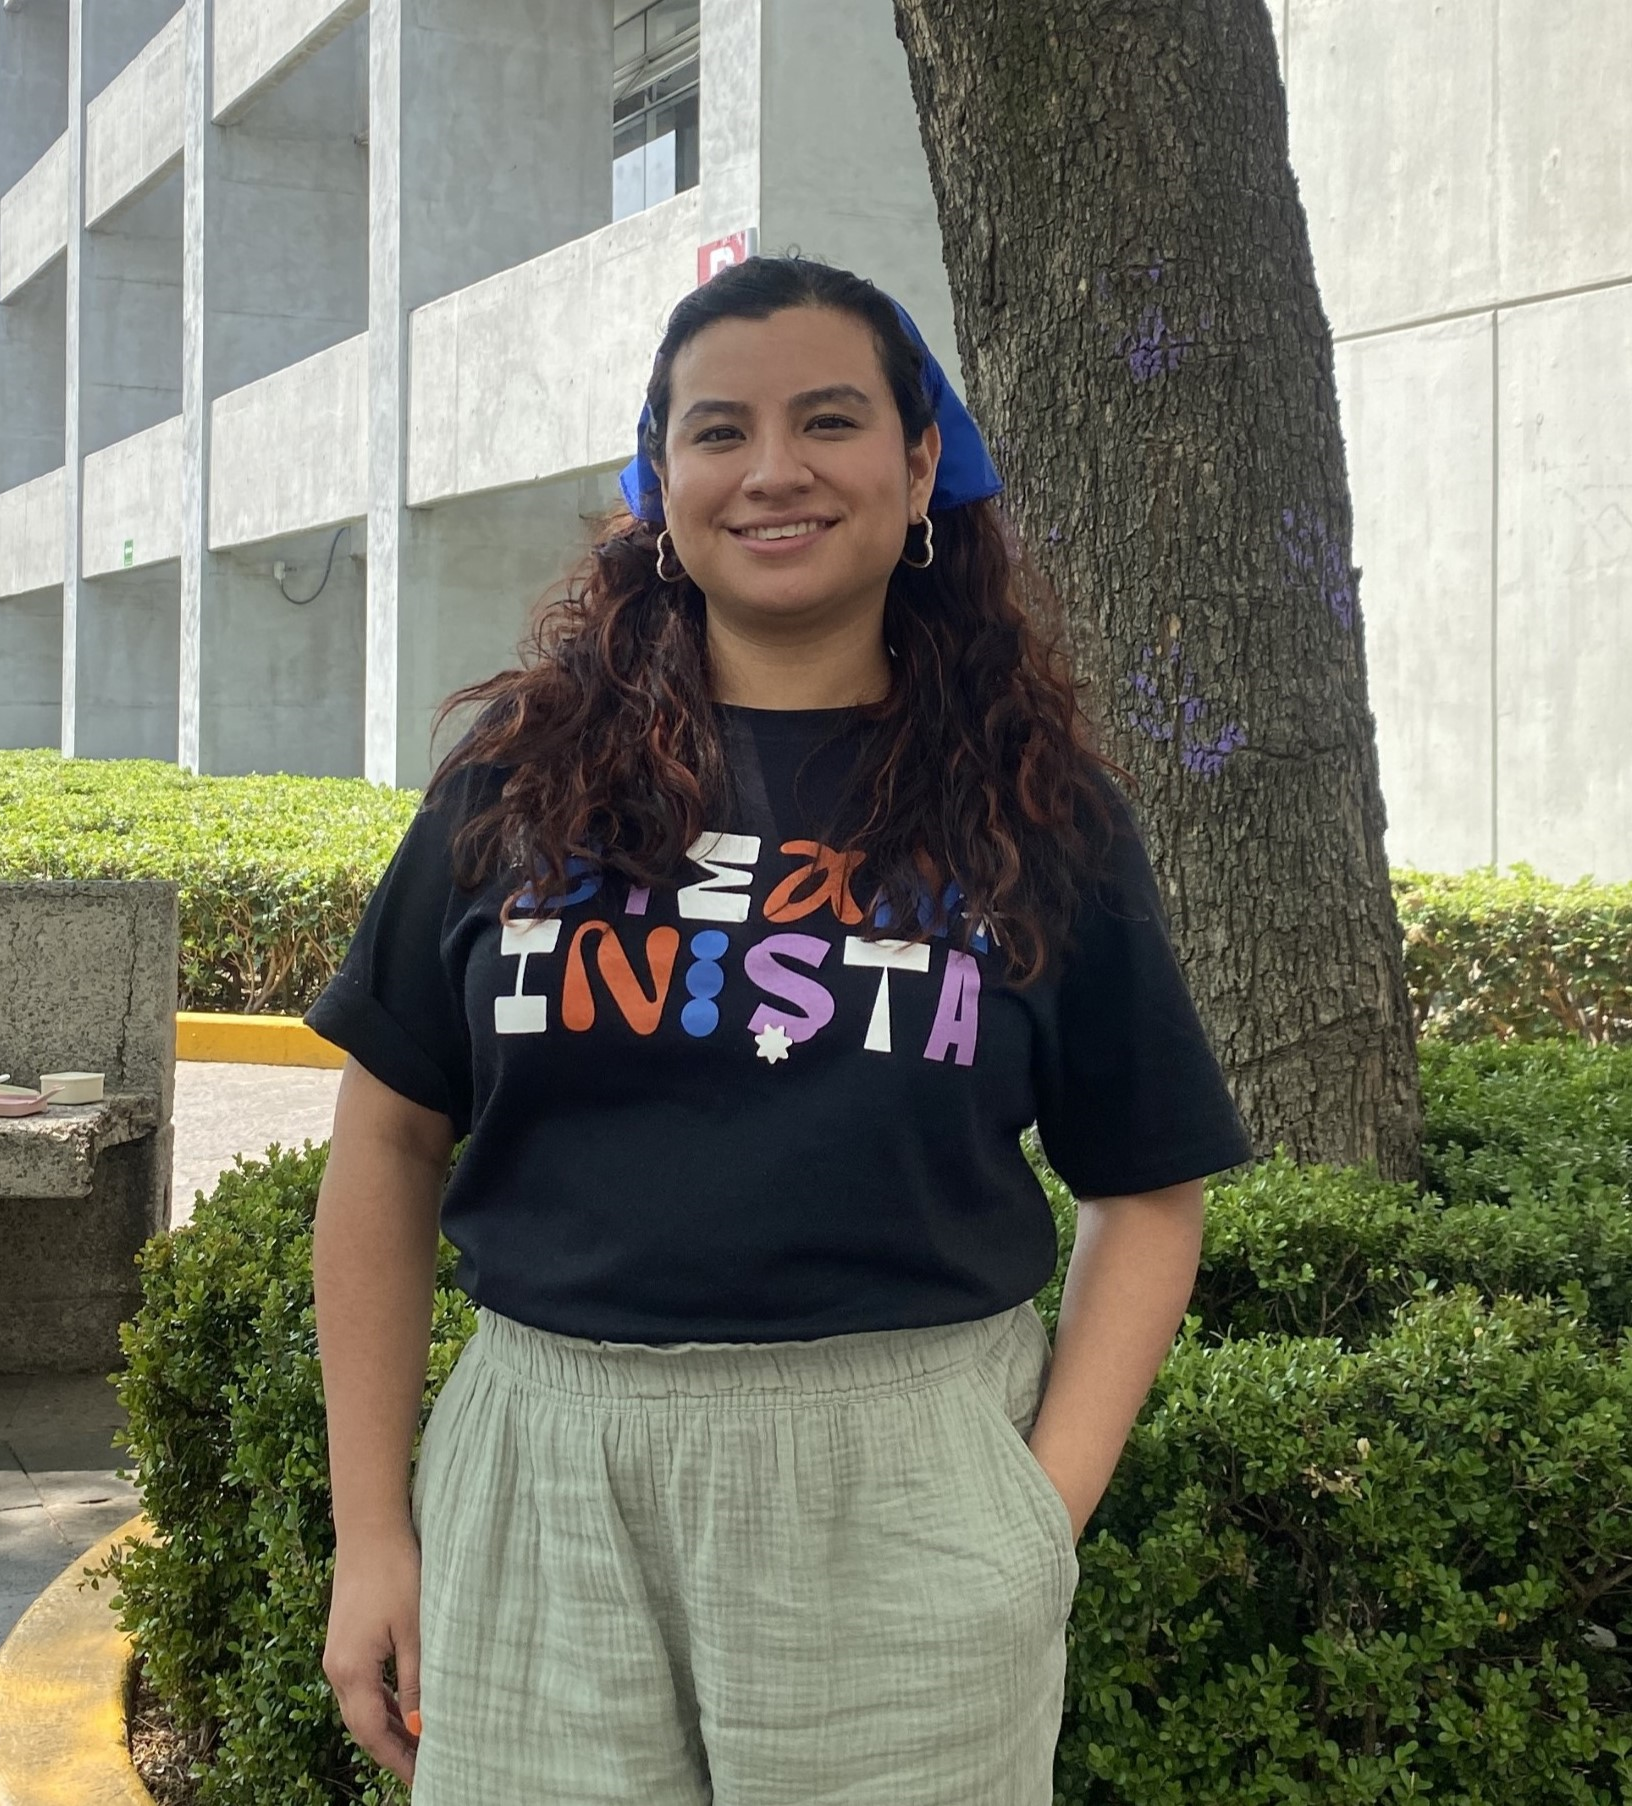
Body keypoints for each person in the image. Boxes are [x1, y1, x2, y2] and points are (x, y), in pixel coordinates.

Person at [307, 253, 1255, 1806]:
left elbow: (1149, 1188)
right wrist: (371, 1532)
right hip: (541, 1477)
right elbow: (389, 1138)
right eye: (719, 430)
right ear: (661, 480)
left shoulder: (1039, 816)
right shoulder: (514, 785)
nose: (773, 471)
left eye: (828, 420)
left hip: (905, 1496)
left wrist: (1036, 1520)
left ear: (920, 463)